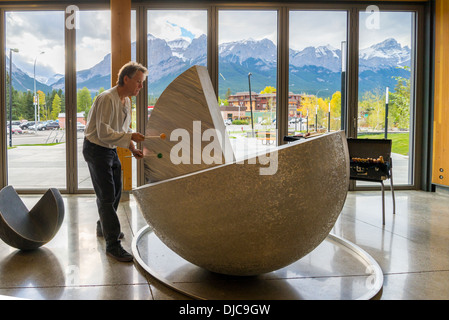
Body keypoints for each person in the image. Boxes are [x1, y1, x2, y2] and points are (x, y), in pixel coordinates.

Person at [83, 61, 148, 262]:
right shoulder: (106, 98)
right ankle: (112, 245)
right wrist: (129, 138)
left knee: (116, 191)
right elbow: (103, 133)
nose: (141, 86)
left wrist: (132, 147)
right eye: (138, 82)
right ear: (126, 79)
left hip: (109, 150)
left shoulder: (126, 101)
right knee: (107, 196)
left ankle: (103, 226)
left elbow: (123, 131)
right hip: (96, 149)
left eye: (142, 82)